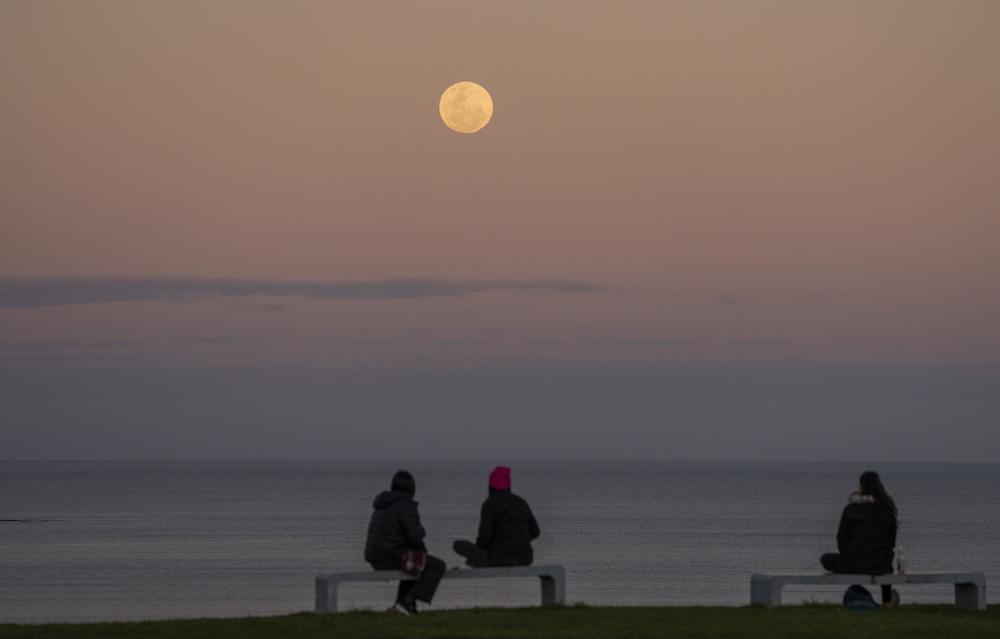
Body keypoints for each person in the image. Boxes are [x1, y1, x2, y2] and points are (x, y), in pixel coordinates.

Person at [364, 470, 446, 615]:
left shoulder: (382, 504)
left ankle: (402, 606)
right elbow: (414, 537)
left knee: (415, 563)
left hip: (376, 558)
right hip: (391, 556)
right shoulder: (406, 505)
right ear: (411, 488)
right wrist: (424, 555)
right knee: (437, 565)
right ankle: (407, 601)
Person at [820, 470, 900, 607]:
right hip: (879, 564)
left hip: (852, 563)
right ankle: (886, 600)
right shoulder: (887, 509)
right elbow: (891, 542)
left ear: (861, 487)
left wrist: (849, 556)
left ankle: (856, 594)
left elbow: (841, 539)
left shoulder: (851, 509)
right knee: (887, 561)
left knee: (825, 559)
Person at [453, 466, 540, 567]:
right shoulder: (521, 502)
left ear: (491, 487)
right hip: (526, 558)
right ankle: (477, 561)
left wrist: (481, 549)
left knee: (458, 545)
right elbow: (535, 531)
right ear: (508, 486)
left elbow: (485, 535)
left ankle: (477, 561)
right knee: (474, 557)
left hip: (499, 558)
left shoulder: (490, 503)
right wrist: (520, 541)